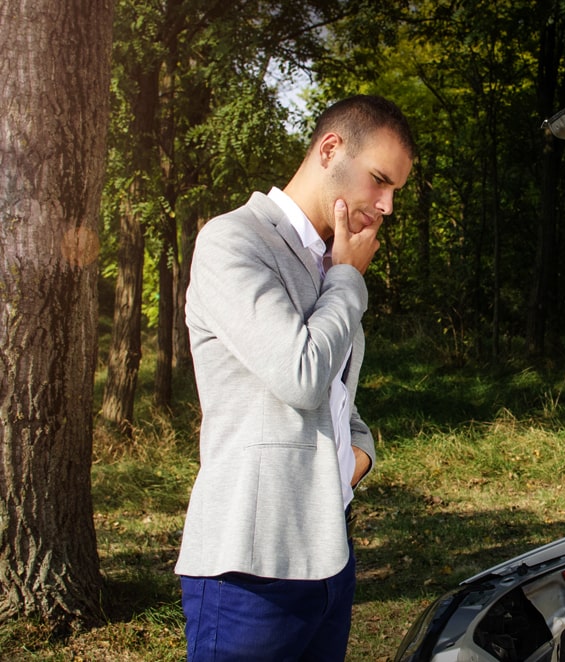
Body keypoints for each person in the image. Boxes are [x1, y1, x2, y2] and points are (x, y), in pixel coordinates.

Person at [175, 95, 416, 661]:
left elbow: (336, 392)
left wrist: (361, 451)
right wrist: (349, 281)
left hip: (329, 556)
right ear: (330, 149)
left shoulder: (328, 262)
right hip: (250, 569)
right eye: (379, 180)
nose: (384, 206)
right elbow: (303, 374)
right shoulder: (233, 241)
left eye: (394, 193)